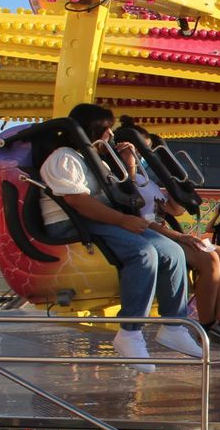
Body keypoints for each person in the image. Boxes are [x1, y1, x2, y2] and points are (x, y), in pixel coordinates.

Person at [39, 104, 202, 368]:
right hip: (72, 222)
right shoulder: (64, 158)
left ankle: (174, 325)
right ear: (92, 129)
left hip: (101, 217)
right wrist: (122, 220)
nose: (110, 135)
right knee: (142, 253)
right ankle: (130, 332)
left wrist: (127, 165)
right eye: (106, 129)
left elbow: (123, 194)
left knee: (172, 251)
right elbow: (78, 202)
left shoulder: (97, 159)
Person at [126, 135, 220, 345]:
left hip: (164, 231)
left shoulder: (147, 180)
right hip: (151, 234)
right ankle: (205, 325)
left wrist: (173, 181)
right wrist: (180, 236)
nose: (143, 156)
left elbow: (174, 210)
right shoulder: (126, 180)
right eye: (140, 150)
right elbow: (139, 218)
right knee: (210, 260)